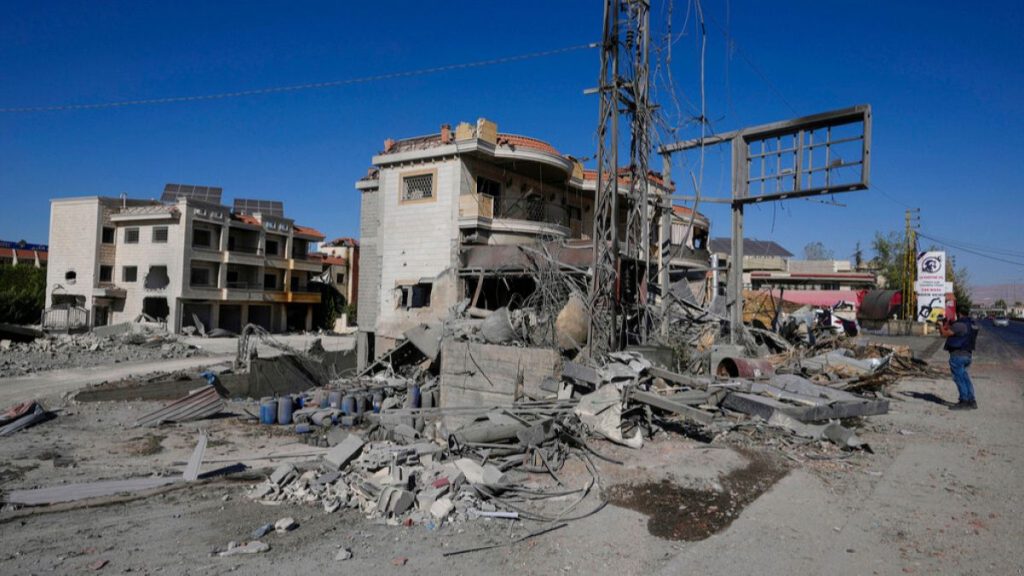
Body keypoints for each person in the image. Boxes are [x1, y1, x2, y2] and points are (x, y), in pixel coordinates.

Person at [939, 303, 979, 410]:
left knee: (959, 378)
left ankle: (964, 401)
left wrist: (940, 324)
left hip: (958, 355)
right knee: (965, 378)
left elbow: (944, 333)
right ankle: (971, 400)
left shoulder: (960, 325)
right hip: (968, 355)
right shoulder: (972, 324)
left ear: (959, 313)